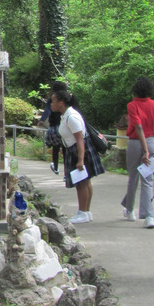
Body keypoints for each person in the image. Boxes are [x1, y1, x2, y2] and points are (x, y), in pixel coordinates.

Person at [51, 90, 105, 224]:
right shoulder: (66, 115)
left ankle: (83, 212)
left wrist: (80, 160)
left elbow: (80, 139)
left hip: (80, 150)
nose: (51, 104)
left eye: (53, 101)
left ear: (61, 103)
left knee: (81, 182)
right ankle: (86, 212)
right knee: (85, 181)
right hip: (74, 149)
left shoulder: (71, 116)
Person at [121, 77, 154, 228]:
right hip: (151, 141)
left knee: (133, 177)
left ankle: (130, 210)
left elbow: (138, 127)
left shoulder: (132, 105)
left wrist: (144, 149)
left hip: (135, 143)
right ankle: (149, 216)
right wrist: (149, 147)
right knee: (148, 179)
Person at [40, 81, 70, 175]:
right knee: (65, 150)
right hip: (65, 125)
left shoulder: (53, 98)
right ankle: (66, 173)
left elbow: (48, 110)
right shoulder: (68, 98)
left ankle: (56, 167)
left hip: (55, 126)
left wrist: (42, 120)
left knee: (55, 148)